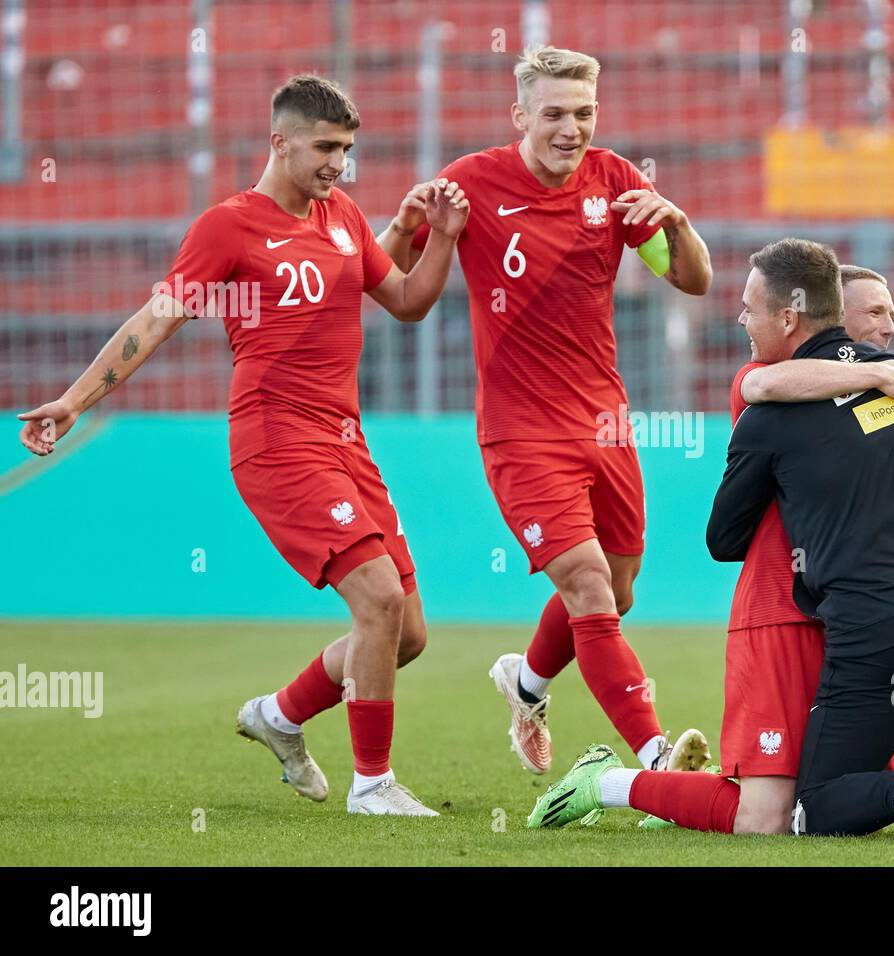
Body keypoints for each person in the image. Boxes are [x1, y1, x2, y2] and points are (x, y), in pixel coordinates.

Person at [17, 75, 466, 817]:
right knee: (380, 602)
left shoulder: (344, 215)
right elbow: (155, 320)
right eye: (325, 148)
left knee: (405, 635)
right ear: (278, 143)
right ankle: (373, 785)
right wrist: (73, 399)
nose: (338, 164)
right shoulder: (229, 227)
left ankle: (280, 717)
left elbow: (410, 302)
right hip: (277, 440)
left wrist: (438, 234)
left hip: (346, 443)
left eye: (347, 150)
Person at [380, 46, 714, 776]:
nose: (572, 128)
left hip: (605, 421)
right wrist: (417, 224)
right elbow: (388, 280)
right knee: (588, 586)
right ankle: (658, 760)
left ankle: (526, 683)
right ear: (521, 116)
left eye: (584, 112)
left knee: (619, 591)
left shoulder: (618, 182)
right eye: (556, 113)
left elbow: (693, 281)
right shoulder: (470, 184)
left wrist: (678, 224)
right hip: (520, 431)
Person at [708, 238, 894, 841]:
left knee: (813, 808)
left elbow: (723, 538)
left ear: (787, 317)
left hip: (882, 627)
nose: (741, 318)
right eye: (877, 313)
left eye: (748, 308)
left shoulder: (770, 414)